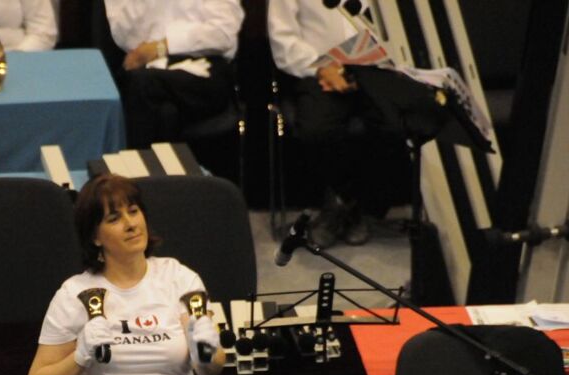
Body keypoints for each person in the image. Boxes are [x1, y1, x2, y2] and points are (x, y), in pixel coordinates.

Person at [28, 174, 225, 375]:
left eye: (134, 211)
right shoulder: (74, 294)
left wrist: (206, 348)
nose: (131, 224)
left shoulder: (180, 278)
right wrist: (80, 355)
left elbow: (210, 370)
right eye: (114, 218)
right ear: (95, 237)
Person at [268, 0, 409, 248]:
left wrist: (378, 62)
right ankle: (344, 202)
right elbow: (283, 37)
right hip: (318, 68)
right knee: (316, 130)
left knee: (397, 125)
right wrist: (322, 68)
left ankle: (359, 206)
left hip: (377, 66)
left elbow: (397, 26)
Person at [102, 0, 244, 149]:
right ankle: (143, 162)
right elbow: (123, 35)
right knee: (152, 100)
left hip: (206, 66)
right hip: (147, 66)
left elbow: (223, 35)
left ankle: (141, 162)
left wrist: (163, 46)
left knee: (143, 86)